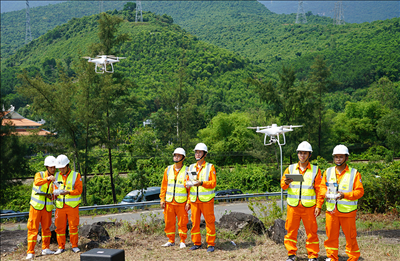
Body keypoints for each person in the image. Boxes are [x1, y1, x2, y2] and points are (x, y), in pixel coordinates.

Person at [281, 141, 323, 261]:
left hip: (309, 207)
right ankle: (291, 254)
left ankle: (313, 255)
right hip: (293, 206)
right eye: (300, 153)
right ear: (297, 154)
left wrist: (319, 206)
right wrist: (285, 182)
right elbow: (282, 185)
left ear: (309, 155)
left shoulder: (315, 170)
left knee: (311, 232)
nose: (302, 155)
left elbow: (320, 190)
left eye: (305, 153)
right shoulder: (290, 168)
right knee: (291, 231)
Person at [321, 145, 364, 261]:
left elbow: (360, 192)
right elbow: (321, 187)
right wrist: (325, 193)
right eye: (336, 157)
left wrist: (345, 195)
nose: (338, 159)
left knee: (350, 237)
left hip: (348, 212)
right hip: (331, 212)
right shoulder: (328, 172)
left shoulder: (354, 173)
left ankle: (353, 257)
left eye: (341, 157)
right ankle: (331, 257)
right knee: (331, 237)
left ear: (346, 158)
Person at [185, 143, 216, 252]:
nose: (197, 154)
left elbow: (213, 183)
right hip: (194, 200)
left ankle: (210, 244)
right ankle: (196, 243)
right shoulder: (191, 167)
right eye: (196, 152)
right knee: (194, 222)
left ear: (205, 154)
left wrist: (202, 183)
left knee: (209, 222)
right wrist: (187, 185)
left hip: (207, 200)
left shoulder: (210, 167)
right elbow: (188, 185)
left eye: (200, 152)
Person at [26, 156, 57, 259]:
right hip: (36, 207)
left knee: (46, 229)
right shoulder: (39, 174)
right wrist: (47, 179)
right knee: (33, 229)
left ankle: (46, 249)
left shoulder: (55, 178)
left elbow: (55, 193)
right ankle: (30, 251)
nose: (53, 169)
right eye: (51, 167)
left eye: (54, 167)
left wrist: (52, 195)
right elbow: (37, 182)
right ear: (47, 167)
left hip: (47, 208)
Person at [159, 147, 190, 248]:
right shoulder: (168, 170)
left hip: (181, 203)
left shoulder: (187, 171)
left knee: (182, 222)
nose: (176, 157)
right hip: (169, 202)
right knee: (169, 222)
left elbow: (190, 189)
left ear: (183, 158)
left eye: (179, 155)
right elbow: (164, 186)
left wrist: (188, 202)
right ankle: (171, 240)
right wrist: (162, 199)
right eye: (175, 155)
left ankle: (182, 241)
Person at [53, 154, 82, 255]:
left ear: (67, 165)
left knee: (73, 227)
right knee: (59, 228)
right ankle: (61, 247)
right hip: (60, 206)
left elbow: (79, 190)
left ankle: (74, 246)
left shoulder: (76, 175)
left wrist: (68, 192)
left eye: (63, 167)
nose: (61, 169)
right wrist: (54, 194)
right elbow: (55, 189)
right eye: (59, 168)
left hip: (72, 206)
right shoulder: (56, 176)